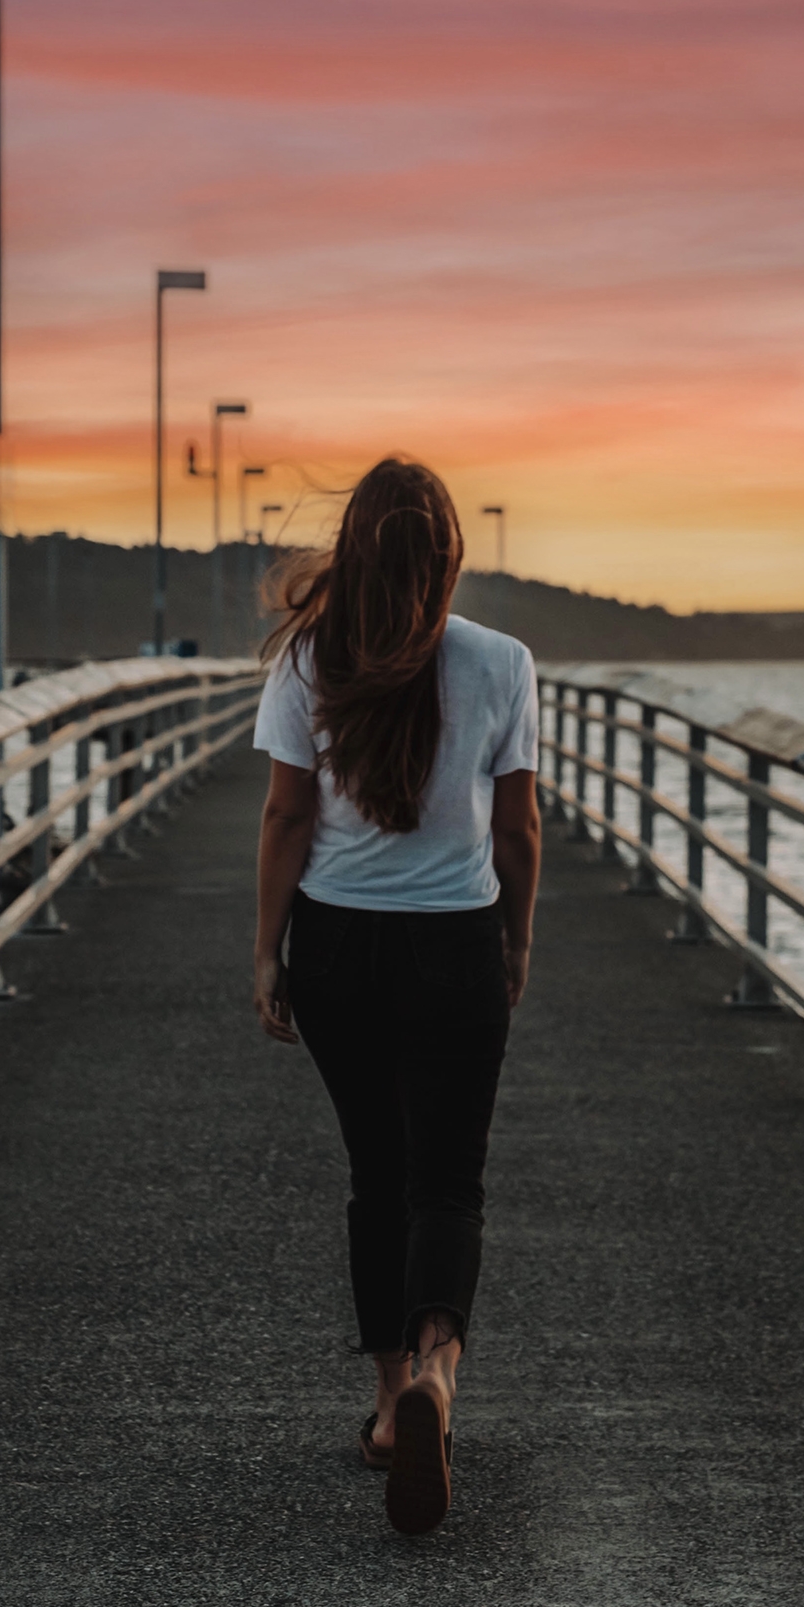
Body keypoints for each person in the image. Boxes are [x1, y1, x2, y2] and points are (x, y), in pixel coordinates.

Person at [253, 457, 542, 1538]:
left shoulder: (306, 659)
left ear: (357, 549)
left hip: (336, 949)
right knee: (448, 1180)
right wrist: (513, 940)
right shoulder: (501, 661)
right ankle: (436, 1365)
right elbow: (516, 828)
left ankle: (386, 1409)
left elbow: (286, 818)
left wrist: (266, 952)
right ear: (450, 553)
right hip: (453, 943)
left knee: (378, 1172)